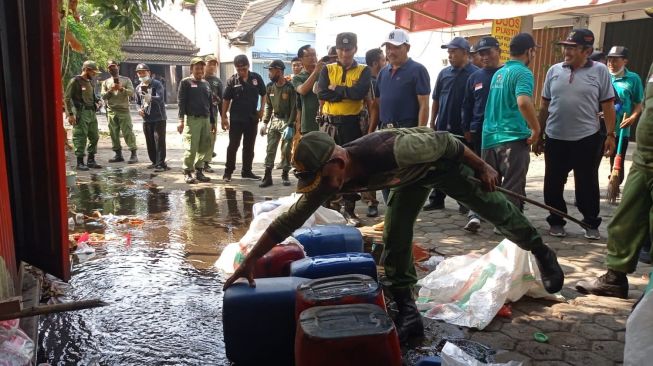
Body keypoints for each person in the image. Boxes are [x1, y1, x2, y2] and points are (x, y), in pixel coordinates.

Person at [223, 127, 565, 343]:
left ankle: (540, 251)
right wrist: (250, 262)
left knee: (498, 212)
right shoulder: (328, 177)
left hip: (444, 164)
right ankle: (409, 313)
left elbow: (447, 142)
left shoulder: (391, 149)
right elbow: (287, 221)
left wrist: (482, 166)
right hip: (409, 180)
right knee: (397, 238)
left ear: (338, 164)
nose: (322, 189)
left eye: (323, 180)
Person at [575, 11, 653, 298]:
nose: (611, 62)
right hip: (644, 159)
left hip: (637, 148)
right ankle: (615, 278)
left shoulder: (629, 77)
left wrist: (631, 119)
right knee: (624, 220)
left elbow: (638, 104)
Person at [533, 29, 616, 239]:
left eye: (572, 47)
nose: (566, 51)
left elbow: (608, 106)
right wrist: (539, 134)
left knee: (586, 184)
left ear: (587, 50)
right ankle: (556, 220)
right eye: (565, 47)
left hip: (586, 138)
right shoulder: (554, 71)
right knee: (552, 184)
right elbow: (545, 105)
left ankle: (590, 223)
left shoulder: (600, 72)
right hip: (555, 137)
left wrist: (610, 135)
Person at [479, 33, 540, 235]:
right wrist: (536, 128)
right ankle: (509, 226)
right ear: (529, 51)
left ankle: (497, 220)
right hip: (512, 138)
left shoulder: (499, 73)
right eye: (534, 50)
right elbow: (523, 102)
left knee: (493, 185)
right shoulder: (523, 73)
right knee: (513, 186)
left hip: (489, 137)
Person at [317, 32, 371, 227]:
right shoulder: (327, 69)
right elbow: (321, 93)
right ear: (336, 49)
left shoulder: (364, 70)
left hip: (351, 124)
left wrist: (336, 89)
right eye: (341, 49)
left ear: (355, 49)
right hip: (329, 124)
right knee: (326, 165)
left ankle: (349, 210)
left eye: (348, 49)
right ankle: (328, 207)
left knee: (350, 166)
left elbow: (358, 95)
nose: (344, 53)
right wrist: (344, 92)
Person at [372, 29, 431, 207]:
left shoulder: (418, 70)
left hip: (407, 128)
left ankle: (403, 212)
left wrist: (420, 133)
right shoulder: (383, 72)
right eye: (388, 47)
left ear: (407, 47)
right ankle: (391, 210)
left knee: (405, 173)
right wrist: (371, 130)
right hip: (384, 130)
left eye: (396, 47)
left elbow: (424, 104)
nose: (391, 51)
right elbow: (377, 103)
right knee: (384, 172)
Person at [425, 37, 479, 212]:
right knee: (440, 163)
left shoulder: (475, 74)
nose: (450, 55)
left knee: (464, 166)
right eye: (449, 52)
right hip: (442, 127)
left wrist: (471, 127)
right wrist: (432, 121)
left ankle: (465, 202)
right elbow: (435, 99)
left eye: (453, 52)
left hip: (463, 129)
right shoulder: (444, 73)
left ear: (465, 53)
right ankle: (437, 199)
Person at [461, 36, 503, 233]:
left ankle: (500, 214)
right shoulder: (475, 77)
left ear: (498, 51)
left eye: (488, 52)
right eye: (481, 53)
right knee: (478, 173)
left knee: (501, 174)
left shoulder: (507, 74)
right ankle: (475, 213)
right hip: (478, 132)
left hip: (503, 133)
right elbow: (467, 105)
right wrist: (467, 128)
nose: (485, 57)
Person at [222, 54, 267, 182]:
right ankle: (228, 172)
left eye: (244, 69)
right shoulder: (232, 81)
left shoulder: (256, 78)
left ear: (248, 66)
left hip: (252, 118)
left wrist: (262, 110)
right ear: (236, 68)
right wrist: (224, 117)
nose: (241, 72)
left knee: (249, 147)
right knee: (233, 146)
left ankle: (247, 171)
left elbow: (263, 94)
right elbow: (226, 99)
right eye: (238, 69)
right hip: (236, 119)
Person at [606, 46, 644, 187]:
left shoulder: (633, 79)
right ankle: (585, 192)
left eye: (615, 60)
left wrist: (633, 117)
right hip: (600, 128)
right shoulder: (602, 75)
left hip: (621, 129)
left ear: (625, 61)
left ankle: (614, 187)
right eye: (609, 59)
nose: (611, 63)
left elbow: (639, 103)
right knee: (591, 161)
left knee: (617, 162)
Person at [359, 47, 387, 218]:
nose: (386, 62)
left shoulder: (382, 78)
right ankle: (369, 200)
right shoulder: (367, 80)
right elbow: (372, 106)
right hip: (364, 126)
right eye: (383, 59)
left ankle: (371, 200)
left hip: (375, 127)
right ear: (376, 63)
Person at [177, 57, 215, 184]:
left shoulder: (206, 84)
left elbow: (210, 104)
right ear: (191, 69)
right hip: (192, 120)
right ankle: (187, 171)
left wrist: (213, 122)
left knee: (204, 146)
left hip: (206, 119)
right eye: (197, 68)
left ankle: (199, 171)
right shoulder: (185, 82)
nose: (200, 70)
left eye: (201, 68)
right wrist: (181, 120)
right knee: (191, 147)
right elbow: (181, 103)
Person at [260, 60, 296, 188]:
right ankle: (267, 176)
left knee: (286, 149)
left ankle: (285, 174)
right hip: (274, 120)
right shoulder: (270, 86)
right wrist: (265, 123)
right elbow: (269, 106)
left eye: (271, 70)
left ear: (279, 71)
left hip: (287, 121)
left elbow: (294, 108)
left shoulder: (290, 88)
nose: (269, 73)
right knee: (270, 148)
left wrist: (291, 125)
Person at [64, 60, 102, 171]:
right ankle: (80, 162)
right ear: (86, 70)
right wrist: (70, 114)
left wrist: (97, 101)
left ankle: (91, 160)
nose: (94, 74)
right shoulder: (75, 81)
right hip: (81, 112)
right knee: (80, 137)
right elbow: (67, 98)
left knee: (95, 136)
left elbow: (92, 95)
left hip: (91, 112)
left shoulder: (90, 81)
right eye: (93, 72)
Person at [101, 60, 138, 164]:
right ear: (108, 69)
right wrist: (111, 90)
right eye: (110, 67)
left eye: (114, 66)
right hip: (111, 111)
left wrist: (122, 89)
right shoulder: (106, 82)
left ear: (118, 67)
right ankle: (118, 154)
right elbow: (103, 96)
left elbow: (131, 93)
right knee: (113, 133)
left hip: (124, 110)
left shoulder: (126, 80)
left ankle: (133, 154)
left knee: (128, 132)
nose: (112, 68)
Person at [135, 63, 168, 172]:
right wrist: (139, 109)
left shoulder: (157, 84)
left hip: (159, 117)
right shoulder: (138, 87)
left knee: (159, 141)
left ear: (149, 72)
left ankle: (161, 164)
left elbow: (160, 98)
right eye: (139, 73)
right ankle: (154, 161)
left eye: (143, 72)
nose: (141, 74)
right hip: (146, 118)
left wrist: (150, 97)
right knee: (150, 141)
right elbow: (137, 102)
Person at [292, 45, 322, 135]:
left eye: (314, 55)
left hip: (325, 122)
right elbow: (303, 90)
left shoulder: (324, 74)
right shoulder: (298, 78)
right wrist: (315, 72)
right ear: (301, 59)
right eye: (308, 55)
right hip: (308, 124)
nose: (313, 58)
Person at [202, 54, 224, 173]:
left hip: (212, 114)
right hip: (198, 114)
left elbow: (221, 100)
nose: (211, 66)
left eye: (214, 64)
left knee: (210, 138)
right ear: (204, 64)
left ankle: (206, 162)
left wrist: (223, 117)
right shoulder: (197, 78)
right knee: (199, 138)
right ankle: (198, 161)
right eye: (209, 63)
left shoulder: (217, 82)